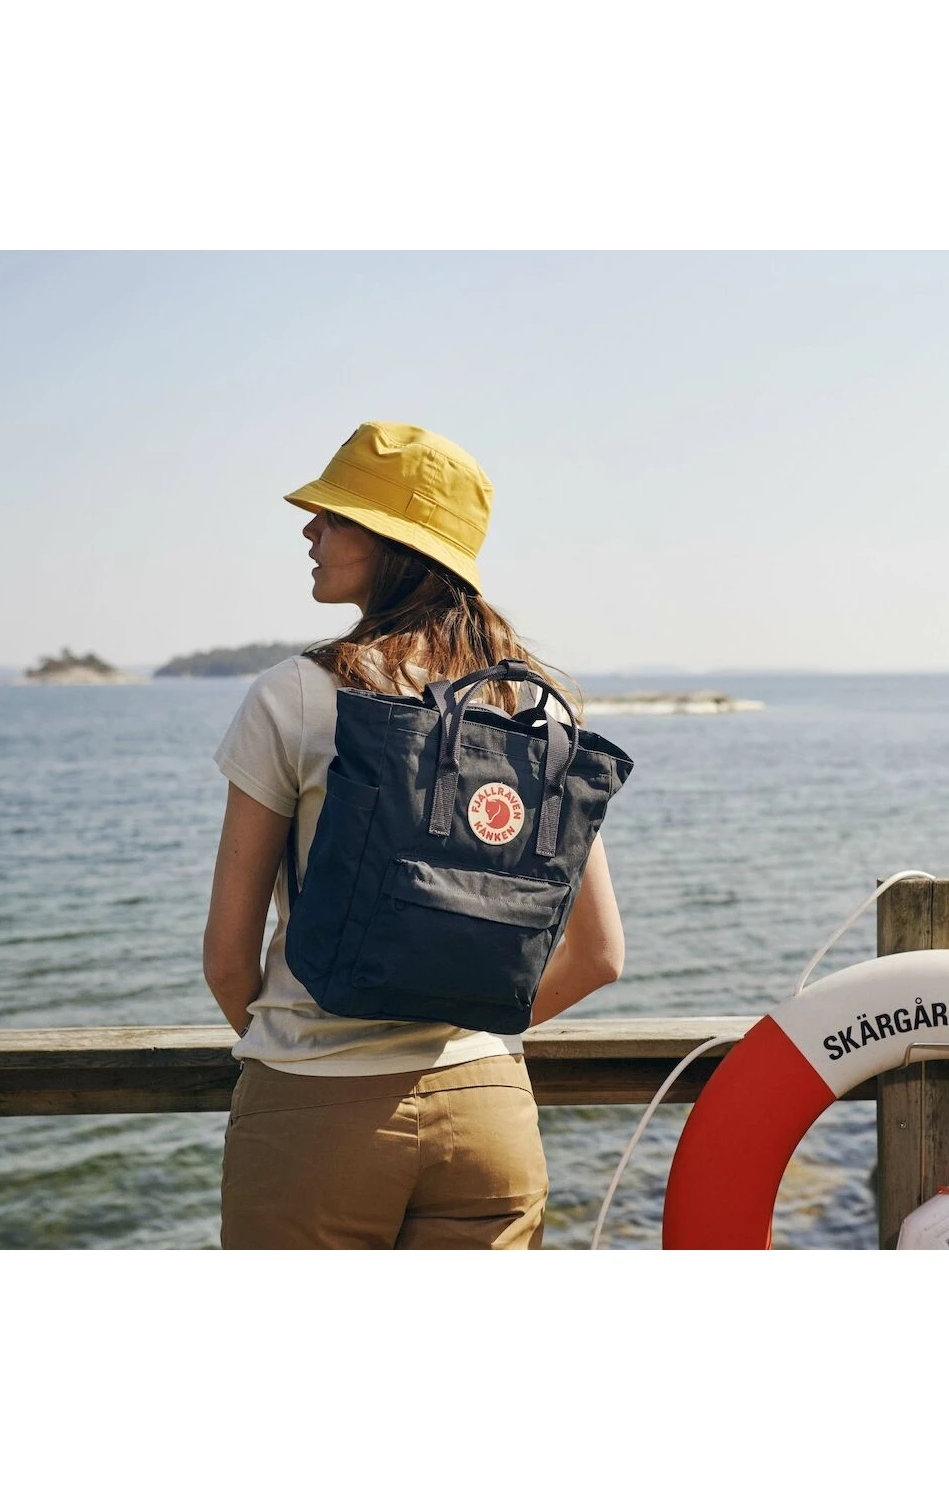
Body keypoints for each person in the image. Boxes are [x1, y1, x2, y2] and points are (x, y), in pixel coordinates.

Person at [204, 421, 626, 1249]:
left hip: (315, 1114)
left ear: (395, 543)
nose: (309, 531)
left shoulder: (295, 695)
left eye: (335, 515)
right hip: (490, 1115)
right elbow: (600, 955)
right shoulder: (526, 705)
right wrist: (466, 1032)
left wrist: (298, 1054)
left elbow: (227, 960)